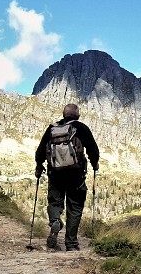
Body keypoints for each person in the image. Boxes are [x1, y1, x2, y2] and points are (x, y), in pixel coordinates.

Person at [35, 103, 100, 251]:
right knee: (75, 207)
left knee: (54, 202)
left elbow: (40, 151)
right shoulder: (80, 127)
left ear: (63, 114)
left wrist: (39, 167)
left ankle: (55, 220)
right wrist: (95, 164)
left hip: (55, 174)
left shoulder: (52, 128)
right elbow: (93, 150)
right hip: (76, 176)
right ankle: (71, 244)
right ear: (77, 115)